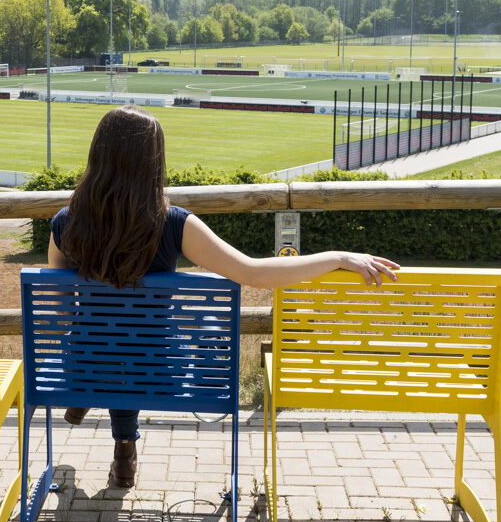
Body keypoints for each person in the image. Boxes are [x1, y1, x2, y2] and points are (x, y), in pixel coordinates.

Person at [46, 106, 398, 488]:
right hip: (160, 373)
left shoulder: (65, 222)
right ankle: (124, 446)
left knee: (111, 341)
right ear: (154, 161)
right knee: (154, 341)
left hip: (83, 369)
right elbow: (254, 272)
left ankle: (103, 416)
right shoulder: (173, 222)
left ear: (97, 155)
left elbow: (62, 309)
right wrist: (337, 257)